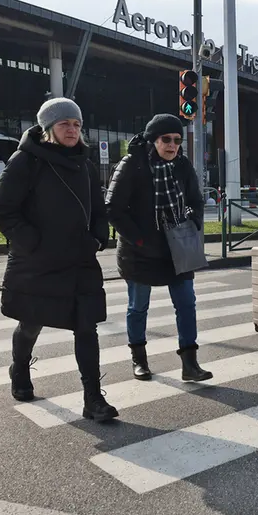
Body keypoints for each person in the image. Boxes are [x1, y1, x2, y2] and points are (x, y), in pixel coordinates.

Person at [0, 97, 118, 421]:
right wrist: (33, 243)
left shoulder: (86, 165)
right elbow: (2, 210)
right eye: (64, 124)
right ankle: (20, 368)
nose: (72, 130)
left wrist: (98, 237)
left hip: (80, 260)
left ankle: (93, 398)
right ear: (48, 128)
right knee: (31, 322)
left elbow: (99, 210)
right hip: (39, 263)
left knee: (86, 327)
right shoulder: (25, 161)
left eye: (76, 124)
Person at [106, 114, 212, 383]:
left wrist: (193, 223)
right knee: (138, 307)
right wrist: (138, 239)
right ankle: (139, 360)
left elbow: (196, 200)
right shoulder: (132, 164)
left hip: (177, 248)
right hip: (139, 252)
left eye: (177, 140)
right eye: (166, 139)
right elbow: (113, 208)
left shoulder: (183, 165)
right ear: (153, 140)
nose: (172, 145)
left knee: (186, 304)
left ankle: (190, 363)